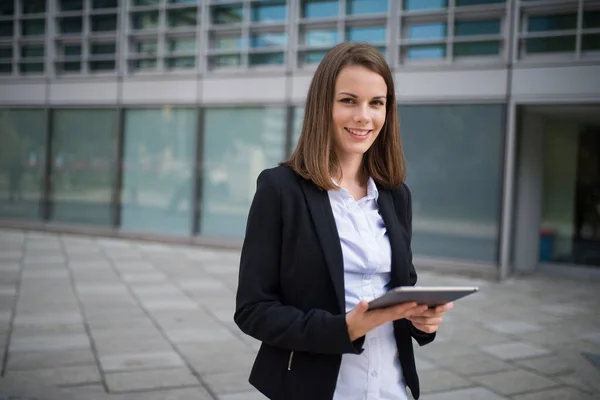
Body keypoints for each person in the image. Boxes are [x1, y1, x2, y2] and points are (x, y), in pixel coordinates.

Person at [234, 42, 453, 400]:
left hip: (392, 388)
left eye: (376, 103)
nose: (364, 116)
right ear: (324, 106)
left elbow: (402, 286)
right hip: (319, 389)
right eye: (348, 100)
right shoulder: (280, 190)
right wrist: (343, 328)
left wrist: (422, 321)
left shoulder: (396, 195)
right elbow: (253, 310)